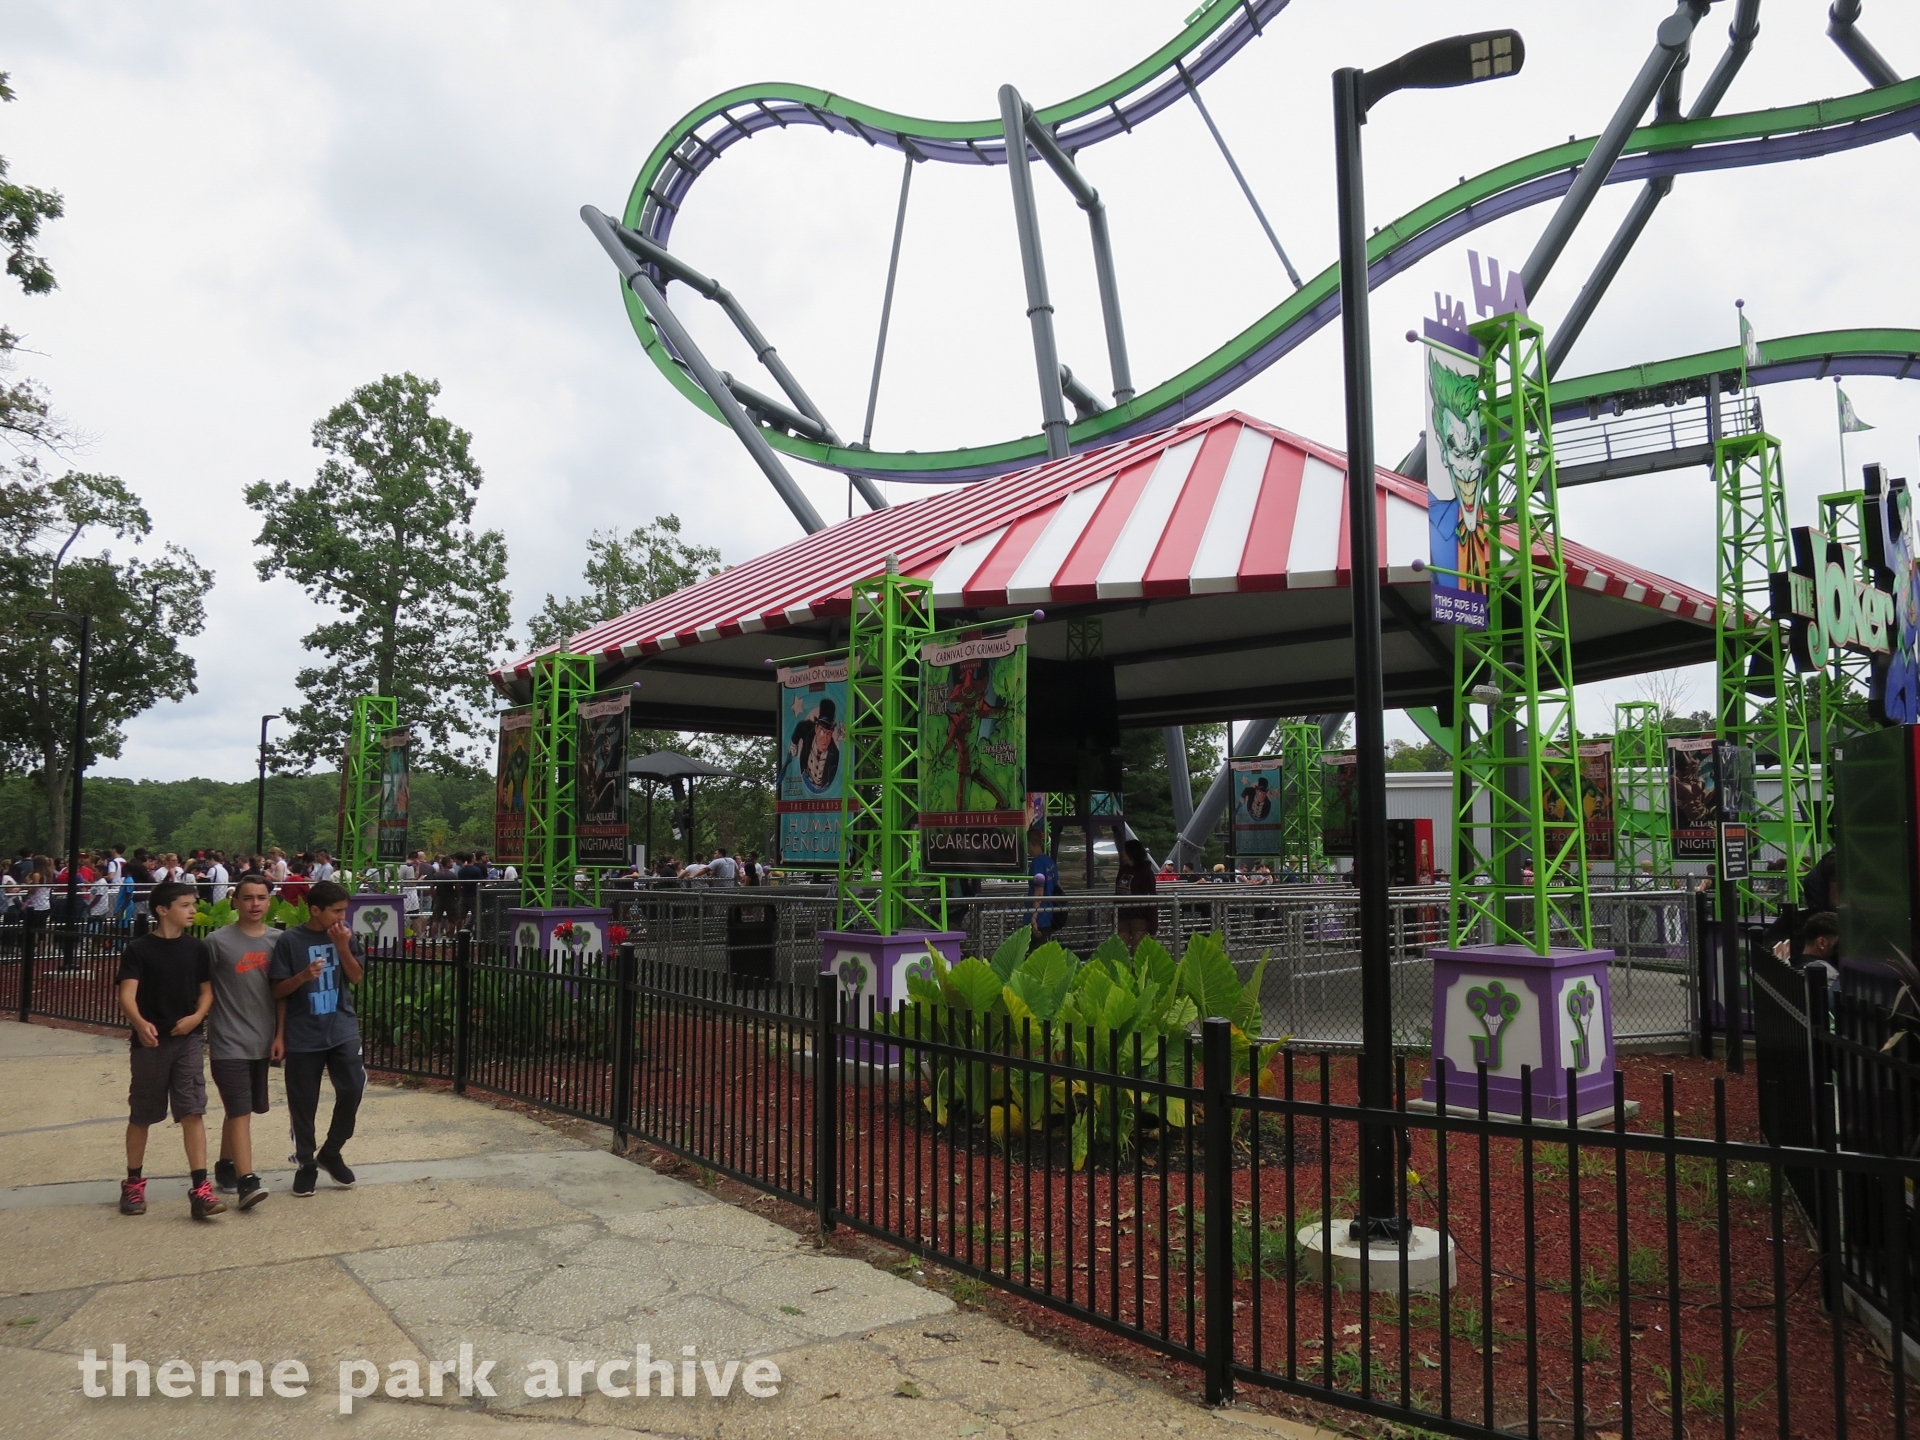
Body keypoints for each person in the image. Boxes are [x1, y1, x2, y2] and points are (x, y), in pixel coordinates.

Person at [115, 880, 224, 1220]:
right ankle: (133, 1182)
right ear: (163, 910)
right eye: (185, 905)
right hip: (151, 1043)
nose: (192, 910)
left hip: (187, 1040)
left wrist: (197, 1017)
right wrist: (139, 1023)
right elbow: (127, 994)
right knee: (143, 1112)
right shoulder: (139, 950)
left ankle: (201, 1188)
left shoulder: (197, 949)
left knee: (192, 1109)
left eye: (193, 904)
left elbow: (206, 991)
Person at [268, 881, 366, 1197]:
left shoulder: (345, 935)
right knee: (303, 1102)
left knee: (352, 1087)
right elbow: (277, 991)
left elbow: (356, 976)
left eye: (344, 910)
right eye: (336, 911)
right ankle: (306, 1162)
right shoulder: (290, 941)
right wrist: (303, 977)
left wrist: (342, 947)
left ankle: (331, 1151)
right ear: (314, 910)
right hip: (302, 1033)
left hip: (341, 1027)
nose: (342, 917)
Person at [206, 872, 284, 1209]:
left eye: (261, 898)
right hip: (228, 1040)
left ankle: (225, 1164)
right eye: (248, 897)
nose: (255, 904)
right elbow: (202, 987)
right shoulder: (216, 942)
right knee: (240, 1110)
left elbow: (282, 994)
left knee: (241, 1107)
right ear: (235, 901)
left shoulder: (280, 941)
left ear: (269, 901)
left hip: (262, 1040)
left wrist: (280, 1035)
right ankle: (246, 1180)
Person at [1116, 838, 1159, 951]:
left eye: (1125, 851)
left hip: (1139, 915)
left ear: (1131, 852)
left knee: (1138, 948)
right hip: (1123, 914)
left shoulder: (1145, 871)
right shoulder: (1123, 869)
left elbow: (1151, 895)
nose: (1122, 853)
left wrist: (1153, 923)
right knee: (1120, 948)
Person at [1027, 827, 1062, 938]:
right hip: (1049, 914)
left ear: (1029, 843)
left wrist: (1034, 917)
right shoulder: (1050, 862)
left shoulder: (1037, 863)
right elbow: (1058, 885)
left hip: (1039, 917)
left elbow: (1039, 890)